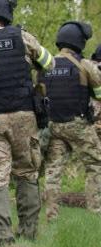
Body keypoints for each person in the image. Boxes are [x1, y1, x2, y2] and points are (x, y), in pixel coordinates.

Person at [0, 0, 54, 245]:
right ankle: (28, 233)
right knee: (27, 172)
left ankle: (2, 238)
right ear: (6, 12)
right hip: (24, 116)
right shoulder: (22, 36)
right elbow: (49, 63)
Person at [42, 22, 101, 221]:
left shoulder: (46, 64)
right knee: (96, 164)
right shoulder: (84, 65)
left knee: (53, 171)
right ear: (80, 42)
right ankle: (95, 213)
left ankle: (51, 217)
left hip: (53, 126)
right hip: (78, 125)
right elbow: (99, 93)